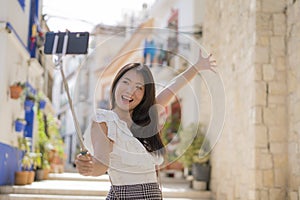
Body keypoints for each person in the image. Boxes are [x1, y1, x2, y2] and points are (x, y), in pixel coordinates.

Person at [75, 49, 216, 200]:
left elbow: (173, 86)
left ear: (145, 94)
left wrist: (197, 66)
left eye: (139, 88)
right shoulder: (104, 121)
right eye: (126, 82)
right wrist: (88, 167)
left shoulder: (147, 116)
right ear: (116, 83)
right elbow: (101, 164)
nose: (131, 91)